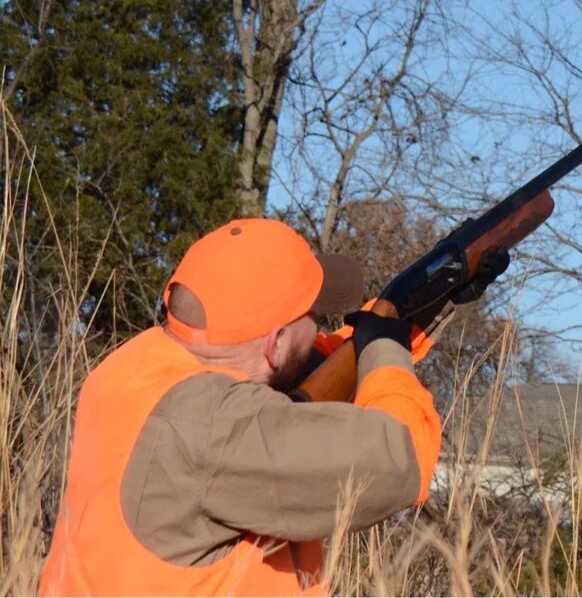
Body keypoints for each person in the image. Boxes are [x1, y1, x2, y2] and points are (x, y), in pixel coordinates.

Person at [38, 218, 449, 596]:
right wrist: (385, 347)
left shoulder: (134, 366)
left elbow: (310, 364)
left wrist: (415, 313)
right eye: (312, 315)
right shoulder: (215, 429)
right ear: (275, 344)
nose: (321, 326)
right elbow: (399, 457)